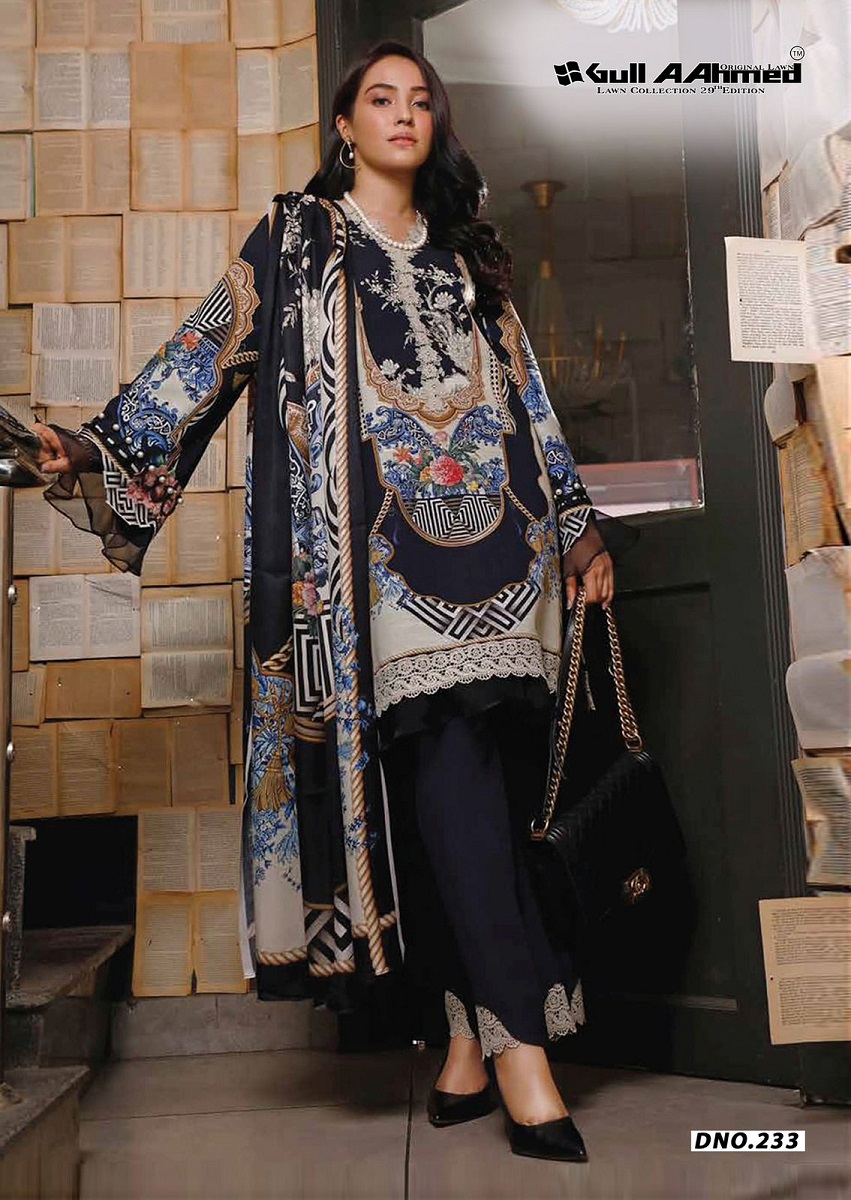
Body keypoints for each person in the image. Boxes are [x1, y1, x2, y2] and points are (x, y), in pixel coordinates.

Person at [33, 40, 616, 1162]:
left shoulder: (464, 252)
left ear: (435, 127)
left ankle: (466, 1037)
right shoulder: (296, 240)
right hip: (372, 571)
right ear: (344, 126)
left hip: (505, 554)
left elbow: (528, 394)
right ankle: (523, 1049)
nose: (403, 115)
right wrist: (96, 448)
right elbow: (202, 353)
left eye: (420, 102)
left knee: (474, 794)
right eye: (379, 100)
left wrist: (580, 524)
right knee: (445, 774)